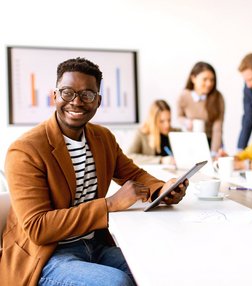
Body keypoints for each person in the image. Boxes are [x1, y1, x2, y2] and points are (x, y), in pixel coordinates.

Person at [0, 58, 188, 286]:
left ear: (98, 101)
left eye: (87, 95)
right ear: (55, 96)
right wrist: (108, 205)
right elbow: (38, 228)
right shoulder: (26, 150)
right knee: (116, 282)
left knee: (157, 265)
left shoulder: (102, 138)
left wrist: (163, 188)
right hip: (46, 256)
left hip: (95, 245)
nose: (76, 102)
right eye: (68, 93)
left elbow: (134, 174)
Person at [177, 61, 225, 154]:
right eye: (205, 79)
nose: (209, 84)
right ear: (193, 78)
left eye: (212, 80)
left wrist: (214, 152)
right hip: (191, 142)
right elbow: (179, 117)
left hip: (212, 142)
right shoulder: (183, 96)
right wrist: (186, 122)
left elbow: (217, 129)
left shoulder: (218, 97)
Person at [127, 99, 180, 165]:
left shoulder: (178, 133)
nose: (167, 125)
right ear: (153, 121)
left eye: (169, 120)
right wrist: (160, 160)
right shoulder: (142, 134)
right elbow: (129, 156)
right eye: (162, 121)